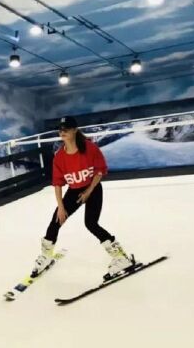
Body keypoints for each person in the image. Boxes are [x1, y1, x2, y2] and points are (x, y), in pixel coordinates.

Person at [32, 116, 136, 281]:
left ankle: (121, 258)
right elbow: (58, 184)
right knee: (55, 221)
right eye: (60, 129)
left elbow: (100, 171)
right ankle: (45, 257)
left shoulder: (89, 148)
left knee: (91, 223)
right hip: (74, 191)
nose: (62, 132)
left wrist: (88, 191)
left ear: (74, 130)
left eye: (66, 128)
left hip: (92, 189)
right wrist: (61, 207)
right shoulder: (59, 157)